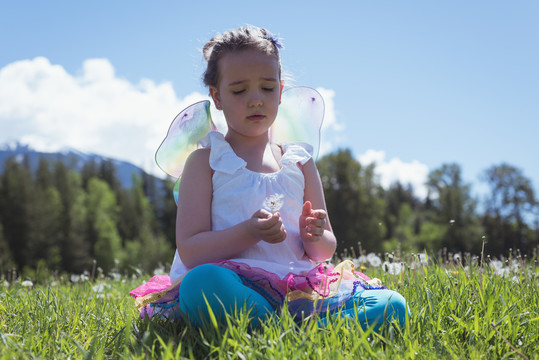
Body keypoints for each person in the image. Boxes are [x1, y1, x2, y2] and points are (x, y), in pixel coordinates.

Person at [130, 25, 408, 330]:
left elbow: (324, 249)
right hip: (233, 283)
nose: (255, 100)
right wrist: (250, 231)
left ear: (281, 89)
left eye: (267, 87)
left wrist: (315, 234)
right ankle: (296, 328)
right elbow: (192, 250)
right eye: (239, 90)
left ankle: (278, 327)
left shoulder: (299, 162)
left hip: (301, 287)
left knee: (392, 303)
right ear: (217, 96)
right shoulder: (206, 161)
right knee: (201, 283)